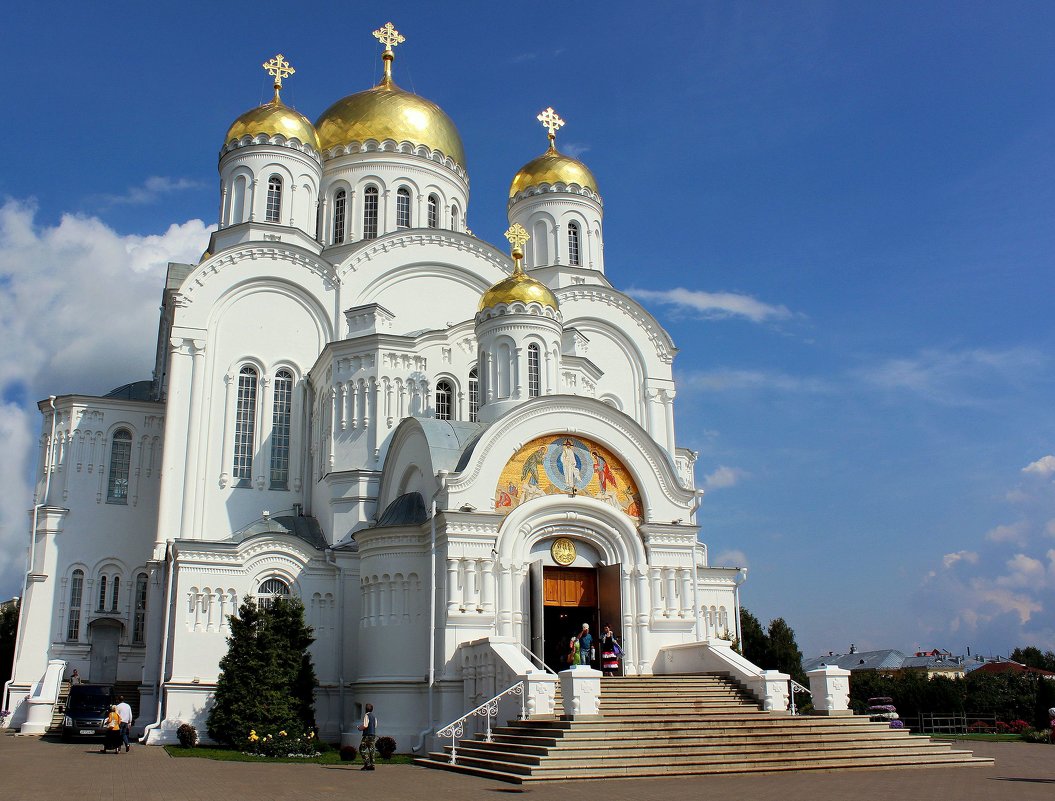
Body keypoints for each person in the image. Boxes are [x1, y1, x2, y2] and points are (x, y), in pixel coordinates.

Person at [357, 703, 377, 770]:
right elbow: (375, 726)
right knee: (371, 749)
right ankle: (372, 765)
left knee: (362, 749)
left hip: (367, 735)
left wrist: (359, 728)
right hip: (373, 735)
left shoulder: (366, 715)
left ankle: (367, 763)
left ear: (365, 710)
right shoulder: (374, 717)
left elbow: (365, 725)